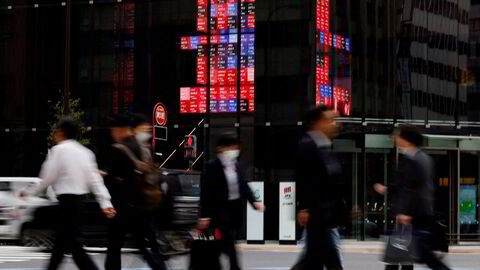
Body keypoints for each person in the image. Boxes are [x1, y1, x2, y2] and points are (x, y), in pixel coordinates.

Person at [21, 117, 116, 270]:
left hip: (65, 204)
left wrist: (28, 191)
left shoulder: (58, 151)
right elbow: (95, 181)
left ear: (62, 132)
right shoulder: (86, 153)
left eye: (57, 132)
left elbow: (46, 178)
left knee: (72, 246)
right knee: (62, 246)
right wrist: (106, 203)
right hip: (79, 205)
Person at [375, 126, 451, 270]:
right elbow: (405, 184)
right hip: (410, 215)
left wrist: (407, 213)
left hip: (412, 216)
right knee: (399, 257)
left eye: (397, 136)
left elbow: (417, 189)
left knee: (422, 256)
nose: (394, 138)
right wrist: (387, 189)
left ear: (406, 139)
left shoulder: (416, 159)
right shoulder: (415, 157)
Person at [103, 114, 166, 270]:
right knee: (142, 245)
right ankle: (159, 267)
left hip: (121, 206)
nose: (112, 134)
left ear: (119, 130)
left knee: (114, 245)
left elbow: (113, 179)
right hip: (139, 204)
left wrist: (105, 176)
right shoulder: (139, 146)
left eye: (113, 130)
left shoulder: (118, 148)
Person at [198, 132, 265, 270]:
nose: (234, 151)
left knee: (218, 245)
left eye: (236, 147)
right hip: (218, 212)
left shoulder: (238, 165)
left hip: (234, 210)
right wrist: (203, 215)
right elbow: (206, 193)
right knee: (228, 244)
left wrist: (255, 202)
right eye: (231, 147)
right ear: (220, 149)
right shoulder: (211, 167)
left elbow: (244, 185)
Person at [295, 105, 347, 270]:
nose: (334, 124)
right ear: (317, 123)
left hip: (326, 216)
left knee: (314, 261)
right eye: (330, 120)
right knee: (324, 260)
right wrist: (304, 207)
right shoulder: (308, 145)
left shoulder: (325, 146)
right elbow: (304, 178)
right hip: (317, 214)